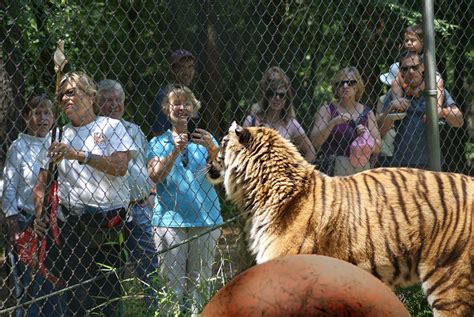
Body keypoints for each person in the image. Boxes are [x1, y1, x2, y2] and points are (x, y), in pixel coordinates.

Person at [32, 72, 136, 316]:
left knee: (108, 301)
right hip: (72, 229)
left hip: (108, 226)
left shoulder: (112, 127)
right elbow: (41, 185)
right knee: (76, 303)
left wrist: (79, 155)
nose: (65, 99)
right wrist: (40, 216)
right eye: (61, 95)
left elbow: (120, 167)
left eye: (71, 92)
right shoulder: (57, 136)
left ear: (91, 96)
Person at [147, 85, 223, 315]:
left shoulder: (205, 140)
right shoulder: (157, 143)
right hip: (170, 223)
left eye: (186, 103)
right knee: (173, 288)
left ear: (194, 108)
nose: (181, 107)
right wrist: (175, 152)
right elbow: (155, 175)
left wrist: (212, 149)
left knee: (199, 287)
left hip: (205, 220)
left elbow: (219, 177)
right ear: (166, 109)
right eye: (176, 103)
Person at [96, 79, 160, 308]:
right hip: (110, 212)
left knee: (151, 267)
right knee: (111, 273)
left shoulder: (134, 130)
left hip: (141, 208)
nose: (114, 105)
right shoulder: (94, 131)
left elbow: (147, 166)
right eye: (108, 100)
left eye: (118, 100)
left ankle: (156, 309)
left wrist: (151, 193)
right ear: (96, 103)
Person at [2, 94, 66, 316]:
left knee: (53, 280)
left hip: (55, 221)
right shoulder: (18, 147)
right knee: (29, 283)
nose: (42, 118)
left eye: (47, 113)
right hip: (26, 220)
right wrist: (14, 228)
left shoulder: (58, 144)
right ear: (27, 117)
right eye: (37, 113)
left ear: (54, 117)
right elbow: (8, 188)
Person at [378, 51, 463, 169]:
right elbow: (380, 131)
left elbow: (459, 121)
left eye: (414, 67)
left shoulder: (435, 92)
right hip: (401, 165)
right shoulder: (395, 94)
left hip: (432, 164)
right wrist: (391, 107)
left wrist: (442, 112)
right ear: (401, 72)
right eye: (405, 69)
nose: (411, 72)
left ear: (422, 67)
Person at [310, 67, 381, 176]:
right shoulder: (327, 110)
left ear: (357, 87)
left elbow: (378, 148)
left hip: (360, 171)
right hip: (332, 171)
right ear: (336, 87)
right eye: (341, 83)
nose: (345, 86)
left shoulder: (367, 112)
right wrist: (333, 123)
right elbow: (314, 142)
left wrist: (366, 136)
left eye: (350, 82)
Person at [242, 77, 316, 163]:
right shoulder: (252, 121)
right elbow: (239, 150)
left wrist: (294, 171)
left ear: (286, 99)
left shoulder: (290, 123)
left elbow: (311, 152)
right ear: (267, 96)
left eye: (281, 95)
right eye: (272, 93)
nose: (277, 97)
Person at [385, 24, 445, 110]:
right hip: (409, 83)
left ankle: (438, 107)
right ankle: (398, 105)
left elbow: (431, 76)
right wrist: (406, 87)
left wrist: (419, 89)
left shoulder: (426, 56)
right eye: (406, 41)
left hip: (425, 82)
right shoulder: (404, 55)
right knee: (394, 82)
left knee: (439, 80)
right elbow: (399, 73)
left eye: (413, 40)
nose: (409, 43)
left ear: (422, 41)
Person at [152, 49, 198, 136]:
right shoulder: (164, 95)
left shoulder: (190, 94)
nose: (187, 72)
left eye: (190, 67)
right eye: (182, 68)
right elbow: (159, 133)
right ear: (173, 70)